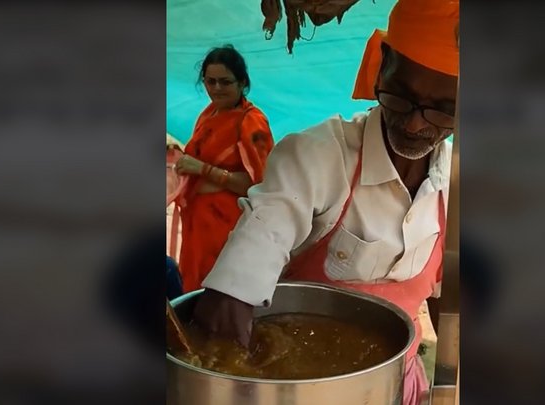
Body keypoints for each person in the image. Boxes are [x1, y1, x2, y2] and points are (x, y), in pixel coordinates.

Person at [194, 0, 458, 403]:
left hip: (398, 388)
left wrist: (448, 387)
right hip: (301, 391)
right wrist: (232, 297)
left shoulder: (457, 186)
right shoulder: (318, 155)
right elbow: (266, 227)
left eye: (443, 110)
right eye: (401, 96)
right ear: (382, 62)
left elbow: (449, 307)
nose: (414, 123)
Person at [173, 45, 275, 293]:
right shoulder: (210, 112)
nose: (216, 89)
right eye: (210, 82)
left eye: (225, 82)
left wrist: (204, 170)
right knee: (192, 286)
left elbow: (260, 185)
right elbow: (199, 156)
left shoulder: (251, 122)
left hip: (226, 226)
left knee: (217, 291)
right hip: (198, 221)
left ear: (242, 83)